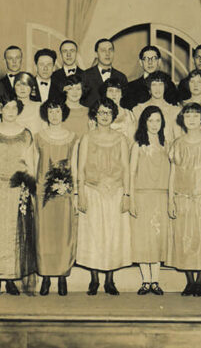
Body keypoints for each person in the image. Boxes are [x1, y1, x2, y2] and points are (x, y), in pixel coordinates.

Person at [0, 95, 37, 295]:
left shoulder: (26, 134)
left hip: (17, 191)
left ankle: (11, 278)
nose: (11, 111)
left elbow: (30, 165)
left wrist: (31, 190)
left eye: (14, 107)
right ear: (0, 109)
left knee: (15, 235)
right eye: (7, 107)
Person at [76, 98, 131, 295]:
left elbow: (126, 168)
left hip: (115, 192)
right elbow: (80, 168)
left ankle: (110, 280)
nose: (105, 116)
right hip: (93, 191)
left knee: (113, 235)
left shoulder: (121, 139)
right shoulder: (87, 138)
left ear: (113, 115)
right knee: (94, 236)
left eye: (108, 112)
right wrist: (80, 194)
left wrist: (126, 194)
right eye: (101, 112)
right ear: (95, 115)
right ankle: (94, 280)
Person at [167, 102, 201, 297]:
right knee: (184, 239)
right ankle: (189, 281)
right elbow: (172, 174)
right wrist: (170, 200)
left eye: (195, 116)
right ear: (183, 119)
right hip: (182, 198)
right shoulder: (178, 144)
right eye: (188, 116)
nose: (191, 119)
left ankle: (200, 281)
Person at [35, 99, 79, 296]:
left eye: (58, 110)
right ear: (46, 114)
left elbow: (75, 167)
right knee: (44, 236)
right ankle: (45, 277)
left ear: (64, 113)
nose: (54, 115)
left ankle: (62, 277)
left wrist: (75, 192)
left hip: (64, 192)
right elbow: (34, 165)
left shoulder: (72, 137)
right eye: (51, 111)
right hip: (43, 193)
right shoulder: (39, 137)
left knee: (63, 234)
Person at [129, 106, 169, 296]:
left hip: (161, 195)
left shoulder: (166, 144)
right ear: (144, 122)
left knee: (157, 238)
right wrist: (131, 198)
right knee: (143, 238)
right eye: (151, 120)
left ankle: (156, 280)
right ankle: (146, 280)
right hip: (142, 194)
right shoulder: (138, 145)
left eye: (158, 121)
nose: (154, 125)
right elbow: (131, 173)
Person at [123, 45, 178, 110]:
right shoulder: (131, 87)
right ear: (141, 62)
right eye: (146, 59)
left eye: (154, 58)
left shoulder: (169, 85)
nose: (150, 62)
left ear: (159, 61)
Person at [133, 71, 181, 140]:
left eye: (160, 84)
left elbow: (178, 139)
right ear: (149, 88)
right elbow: (136, 137)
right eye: (154, 85)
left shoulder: (174, 111)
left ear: (165, 87)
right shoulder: (139, 109)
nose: (157, 88)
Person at [81, 38, 129, 109]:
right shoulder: (85, 75)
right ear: (96, 54)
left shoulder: (121, 77)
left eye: (110, 50)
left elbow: (124, 103)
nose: (107, 54)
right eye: (103, 50)